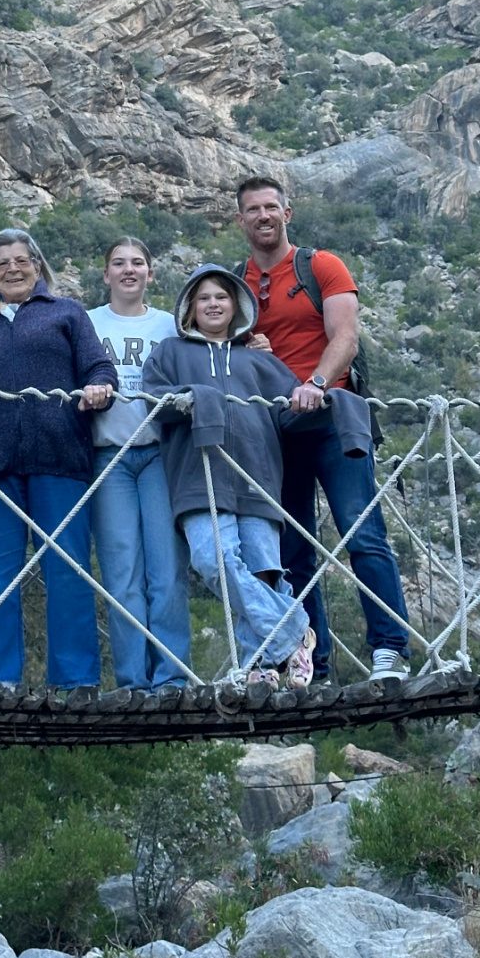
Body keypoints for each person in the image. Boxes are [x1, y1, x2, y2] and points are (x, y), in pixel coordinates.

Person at [233, 174, 411, 682]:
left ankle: (389, 648)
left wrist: (315, 382)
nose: (263, 216)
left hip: (332, 417)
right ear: (240, 219)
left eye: (272, 207)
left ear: (287, 214)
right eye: (253, 209)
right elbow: (215, 350)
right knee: (292, 549)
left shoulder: (322, 266)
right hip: (272, 431)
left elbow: (346, 336)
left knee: (361, 530)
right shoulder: (232, 283)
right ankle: (316, 663)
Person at [0, 228, 118, 690]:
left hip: (59, 457)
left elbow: (99, 367)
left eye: (22, 259)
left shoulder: (67, 313)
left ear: (39, 266)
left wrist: (100, 390)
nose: (12, 268)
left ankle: (76, 682)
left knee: (67, 570)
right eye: (2, 262)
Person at [142, 264, 319, 688]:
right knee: (212, 559)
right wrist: (189, 397)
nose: (213, 304)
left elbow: (291, 411)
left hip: (258, 477)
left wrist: (321, 399)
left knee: (263, 571)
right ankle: (295, 633)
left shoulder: (258, 360)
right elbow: (153, 400)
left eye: (221, 296)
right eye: (203, 298)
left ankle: (259, 669)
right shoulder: (170, 352)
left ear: (236, 306)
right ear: (189, 309)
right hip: (197, 477)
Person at [87, 236, 190, 689]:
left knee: (166, 570)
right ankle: (132, 681)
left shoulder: (170, 326)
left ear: (151, 273)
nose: (129, 270)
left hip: (159, 455)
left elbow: (213, 353)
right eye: (119, 263)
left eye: (138, 263)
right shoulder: (85, 323)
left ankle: (171, 676)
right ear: (105, 274)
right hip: (108, 457)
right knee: (121, 571)